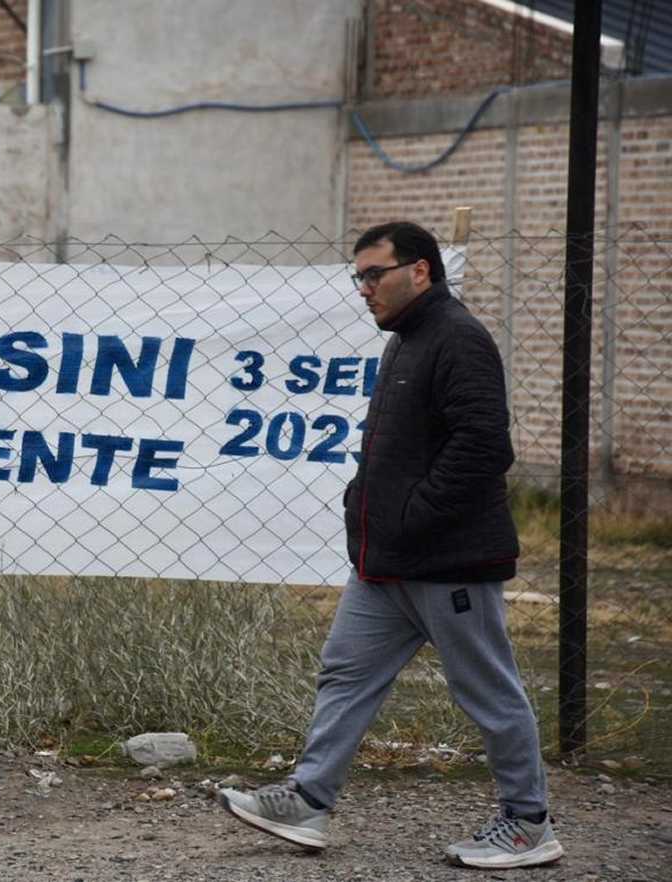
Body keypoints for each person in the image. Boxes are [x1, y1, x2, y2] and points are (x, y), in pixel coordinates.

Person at [216, 221, 562, 869]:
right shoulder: (405, 341)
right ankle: (309, 801)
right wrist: (369, 514)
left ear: (421, 271)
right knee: (345, 674)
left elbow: (485, 446)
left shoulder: (458, 338)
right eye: (359, 277)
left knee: (487, 690)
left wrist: (412, 516)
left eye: (375, 274)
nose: (364, 289)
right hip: (386, 566)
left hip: (448, 563)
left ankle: (527, 823)